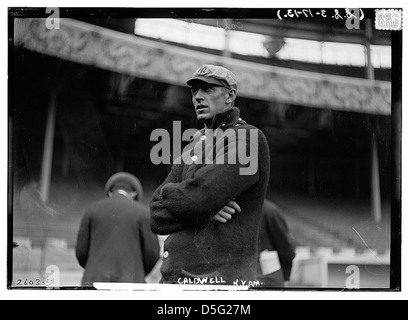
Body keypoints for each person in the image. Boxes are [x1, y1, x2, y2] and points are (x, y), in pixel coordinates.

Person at [150, 65, 271, 285]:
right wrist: (203, 212)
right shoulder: (193, 146)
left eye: (208, 89)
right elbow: (156, 216)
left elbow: (202, 195)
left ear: (230, 96)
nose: (198, 96)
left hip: (218, 284)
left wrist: (173, 195)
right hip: (174, 280)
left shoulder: (248, 138)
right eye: (195, 91)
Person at [75, 172, 160, 287]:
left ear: (110, 193)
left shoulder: (92, 210)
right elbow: (152, 253)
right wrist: (137, 271)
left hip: (94, 281)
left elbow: (81, 251)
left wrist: (94, 268)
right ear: (134, 193)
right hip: (131, 282)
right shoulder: (143, 213)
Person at [257, 199, 296, 287]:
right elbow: (287, 249)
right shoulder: (270, 210)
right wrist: (286, 275)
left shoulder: (228, 207)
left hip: (242, 277)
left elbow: (286, 249)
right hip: (267, 278)